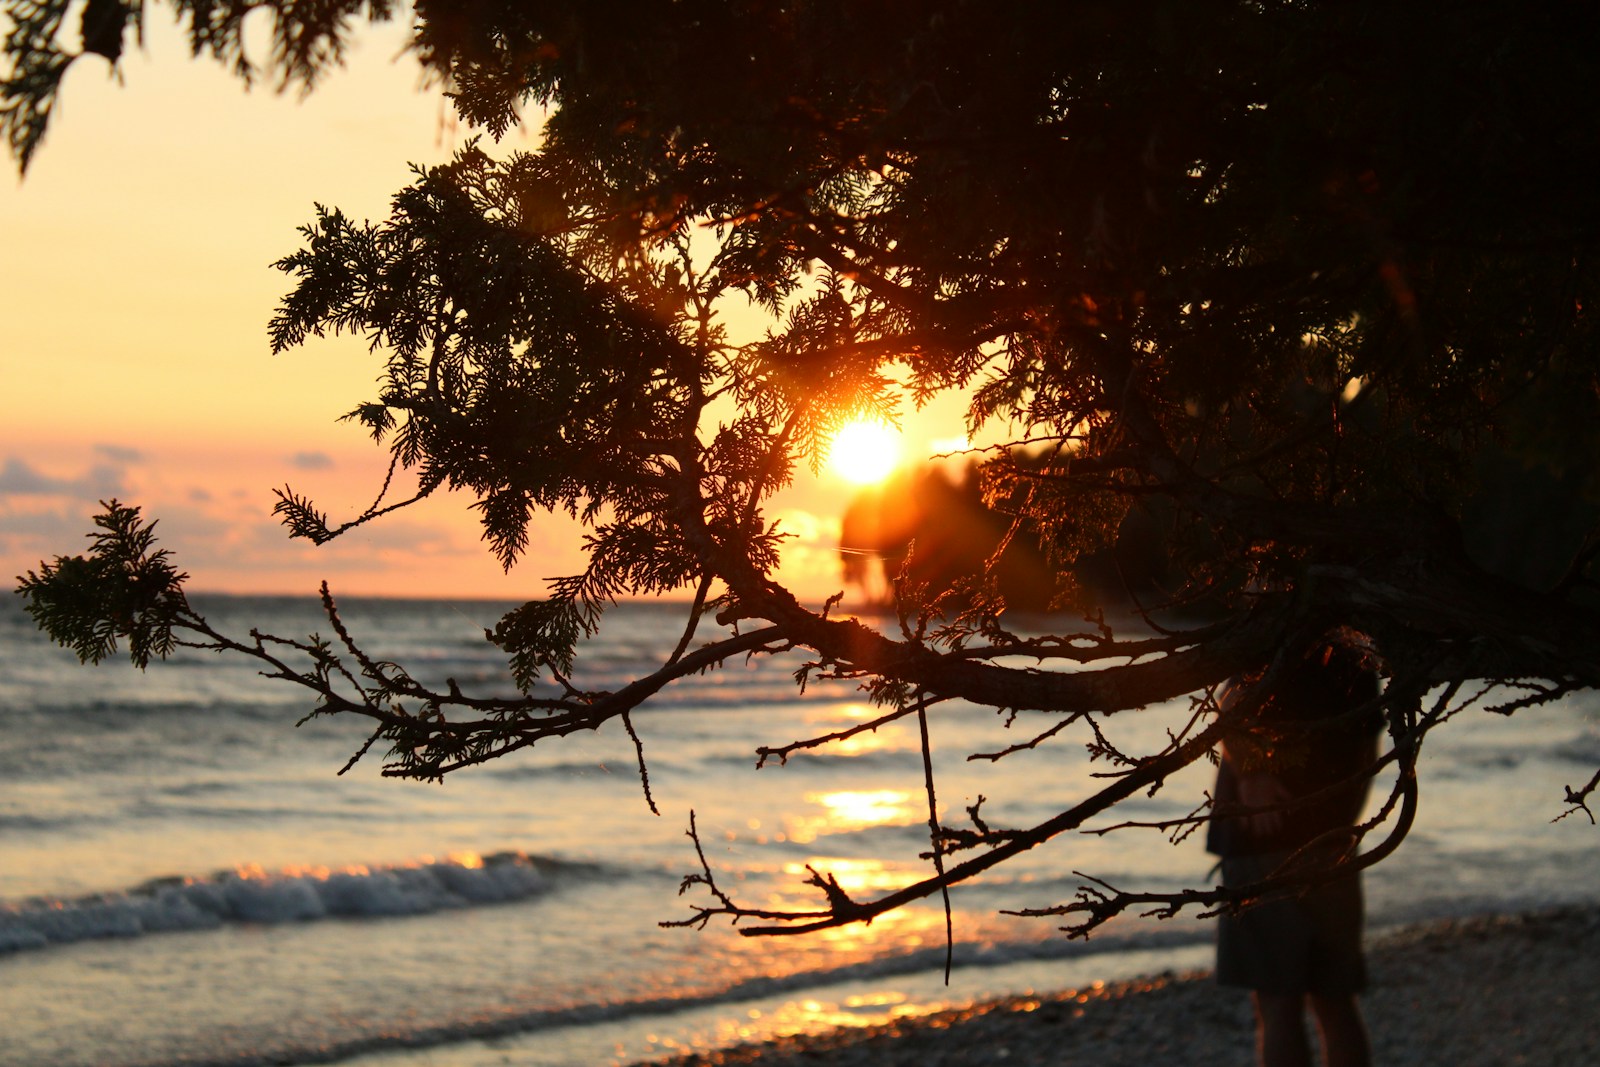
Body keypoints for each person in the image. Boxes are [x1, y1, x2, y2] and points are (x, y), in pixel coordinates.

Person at [1207, 635, 1384, 1067]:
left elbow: (1231, 704)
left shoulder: (1280, 635)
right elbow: (1368, 740)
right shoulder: (1356, 653)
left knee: (1279, 1002)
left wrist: (1251, 771)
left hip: (1269, 846)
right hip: (1333, 843)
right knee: (1333, 1000)